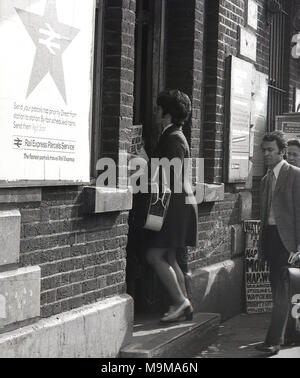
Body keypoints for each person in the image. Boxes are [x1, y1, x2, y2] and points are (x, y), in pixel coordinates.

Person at [144, 89, 198, 323]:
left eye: (158, 108)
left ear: (167, 113)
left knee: (153, 256)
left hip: (174, 207)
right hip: (178, 205)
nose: (155, 112)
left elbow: (169, 177)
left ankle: (179, 301)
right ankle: (184, 306)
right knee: (170, 257)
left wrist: (145, 162)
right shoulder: (173, 134)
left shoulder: (174, 138)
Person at [256, 131, 300, 356]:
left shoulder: (295, 174)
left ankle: (273, 341)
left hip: (289, 240)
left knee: (283, 290)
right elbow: (264, 217)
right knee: (277, 288)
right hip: (271, 238)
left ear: (281, 152)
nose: (266, 154)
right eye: (264, 150)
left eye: (270, 150)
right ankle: (287, 335)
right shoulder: (265, 180)